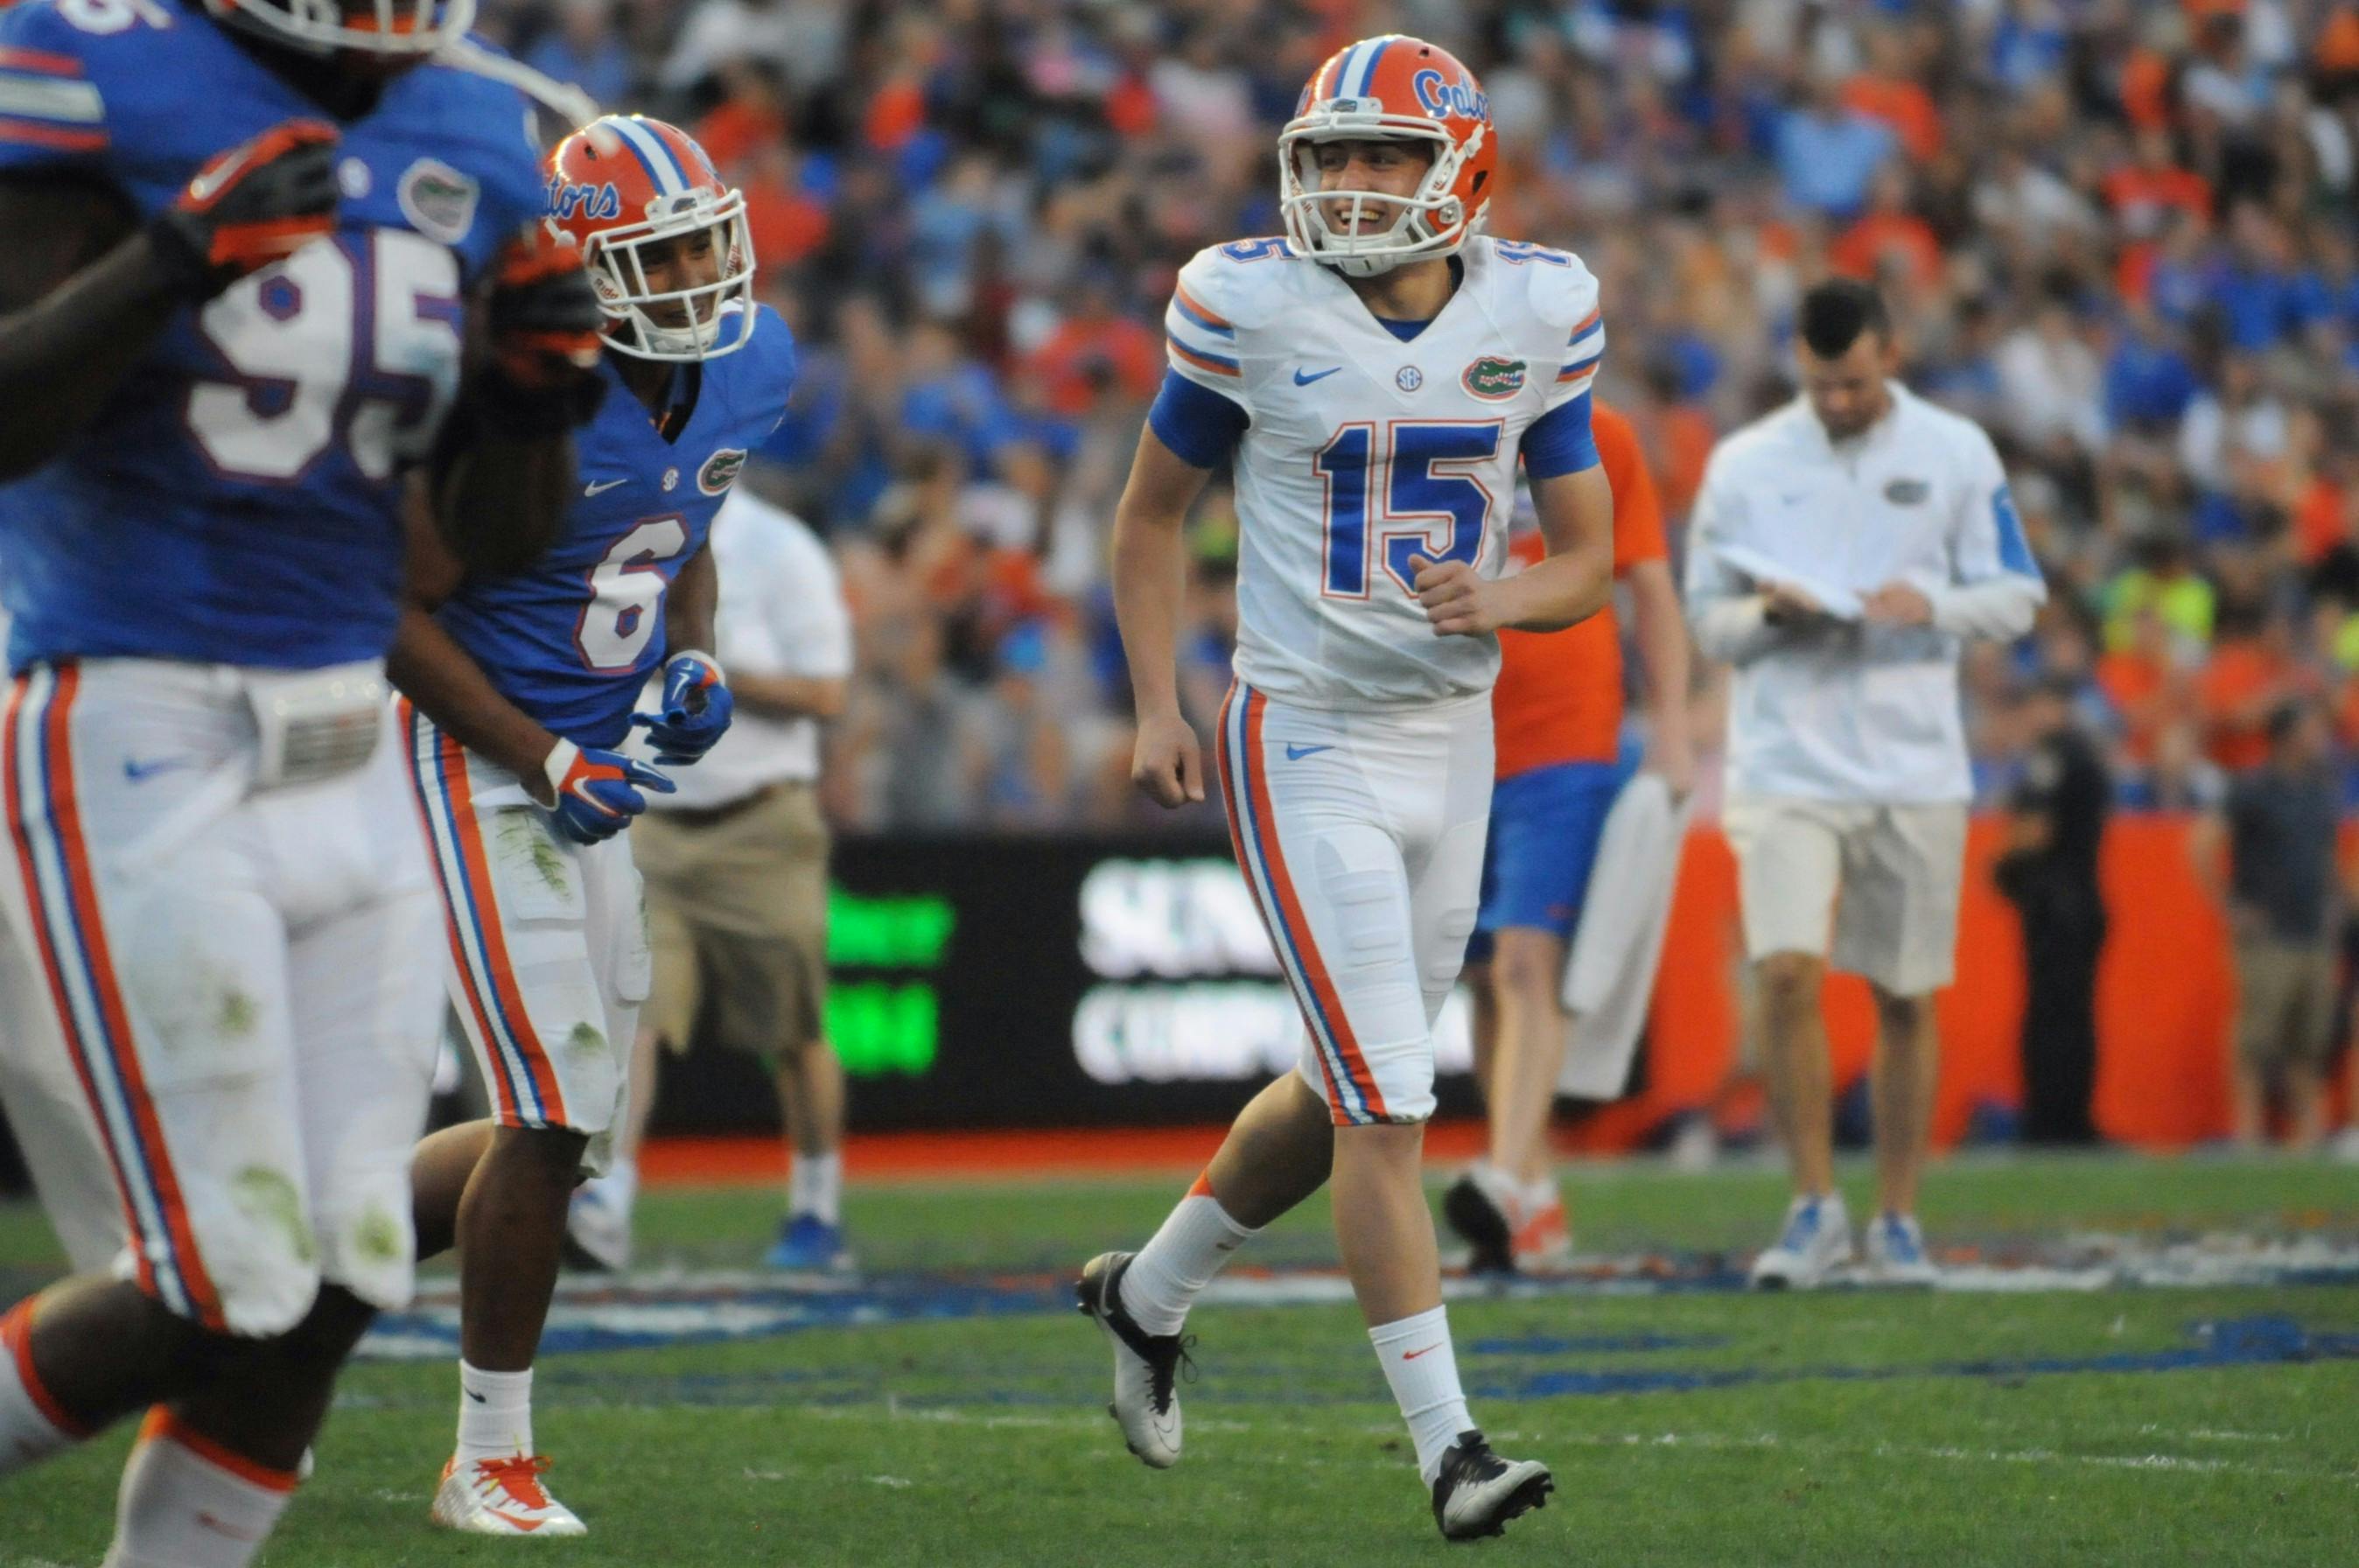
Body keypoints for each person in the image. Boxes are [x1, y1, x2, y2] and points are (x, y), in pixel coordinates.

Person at [0, 2, 600, 1563]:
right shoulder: (82, 56)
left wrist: (534, 398)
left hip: (349, 726)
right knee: (225, 1272)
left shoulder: (477, 129)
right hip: (136, 705)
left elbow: (496, 538)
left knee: (341, 1272)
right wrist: (170, 260)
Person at [1077, 35, 1615, 1541]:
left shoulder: (1537, 306)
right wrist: (1155, 702)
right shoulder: (1246, 301)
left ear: (1460, 168)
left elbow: (1586, 553)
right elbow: (1145, 519)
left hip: (1455, 732)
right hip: (1300, 728)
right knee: (1389, 1101)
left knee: (1339, 1091)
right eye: (1333, 156)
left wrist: (1500, 598)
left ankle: (1151, 1289)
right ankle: (1452, 1449)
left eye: (1386, 155)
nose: (1355, 184)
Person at [394, 115, 795, 1536]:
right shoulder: (514, 389)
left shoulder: (752, 367)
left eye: (705, 240)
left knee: (564, 1130)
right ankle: (485, 1455)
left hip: (588, 760)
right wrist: (543, 747)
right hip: (470, 752)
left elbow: (685, 532)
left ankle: (295, 1271)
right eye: (661, 252)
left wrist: (692, 655)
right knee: (554, 1105)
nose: (697, 275)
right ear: (580, 266)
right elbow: (393, 609)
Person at [1684, 279, 2045, 1290]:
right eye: (1818, 383)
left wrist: (1925, 602)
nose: (1836, 401)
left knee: (1901, 990)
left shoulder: (1954, 452)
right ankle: (1810, 1204)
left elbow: (2016, 595)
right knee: (1785, 972)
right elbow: (1703, 617)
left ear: (1889, 351)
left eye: (1850, 382)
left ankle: (1894, 1214)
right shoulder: (1746, 463)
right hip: (1785, 755)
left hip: (1910, 758)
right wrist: (1770, 620)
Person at [564, 487, 854, 1275]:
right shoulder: (614, 527)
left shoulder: (780, 546)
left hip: (759, 822)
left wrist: (706, 666)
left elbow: (827, 691)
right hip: (647, 817)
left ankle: (816, 1204)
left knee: (794, 1026)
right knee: (637, 1011)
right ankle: (606, 1202)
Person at [1446, 401, 1692, 1273]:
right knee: (1478, 975)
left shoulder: (1601, 433)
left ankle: (1504, 1177)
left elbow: (1647, 582)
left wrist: (1669, 727)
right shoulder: (1425, 416)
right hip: (1452, 735)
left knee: (1524, 960)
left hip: (1563, 734)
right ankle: (1535, 1192)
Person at [2192, 701, 2347, 1151]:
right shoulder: (2253, 788)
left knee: (2310, 1042)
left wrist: (2335, 906)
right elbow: (2201, 845)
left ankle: (2308, 1138)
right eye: (2312, 728)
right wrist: (2231, 907)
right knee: (2258, 1040)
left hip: (2313, 933)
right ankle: (2249, 1135)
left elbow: (2324, 857)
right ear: (2288, 736)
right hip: (2269, 936)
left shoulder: (2320, 789)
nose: (2321, 738)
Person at [1993, 676, 2112, 1146]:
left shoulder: (2053, 757)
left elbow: (2035, 828)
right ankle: (2072, 1117)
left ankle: (2051, 1120)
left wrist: (2003, 863)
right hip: (2081, 900)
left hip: (2055, 905)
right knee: (2075, 1016)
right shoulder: (2085, 754)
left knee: (2051, 1017)